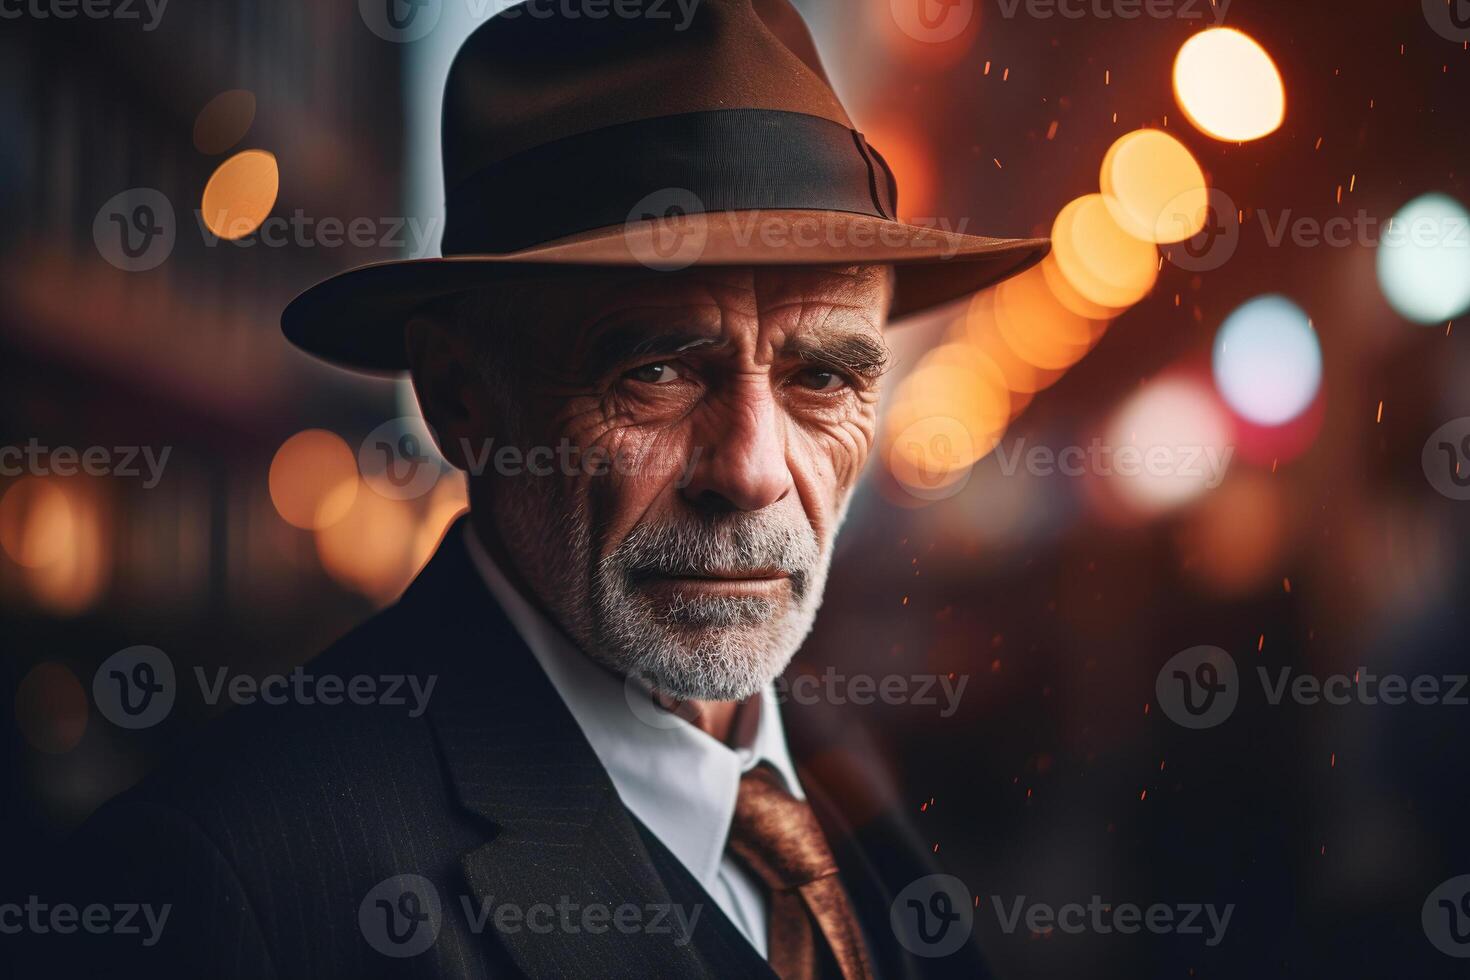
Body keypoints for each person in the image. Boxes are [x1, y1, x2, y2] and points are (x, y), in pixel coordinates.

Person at [51, 0, 1047, 975]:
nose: (750, 470)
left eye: (822, 376)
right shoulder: (240, 885)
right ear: (459, 399)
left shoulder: (837, 775)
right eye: (656, 369)